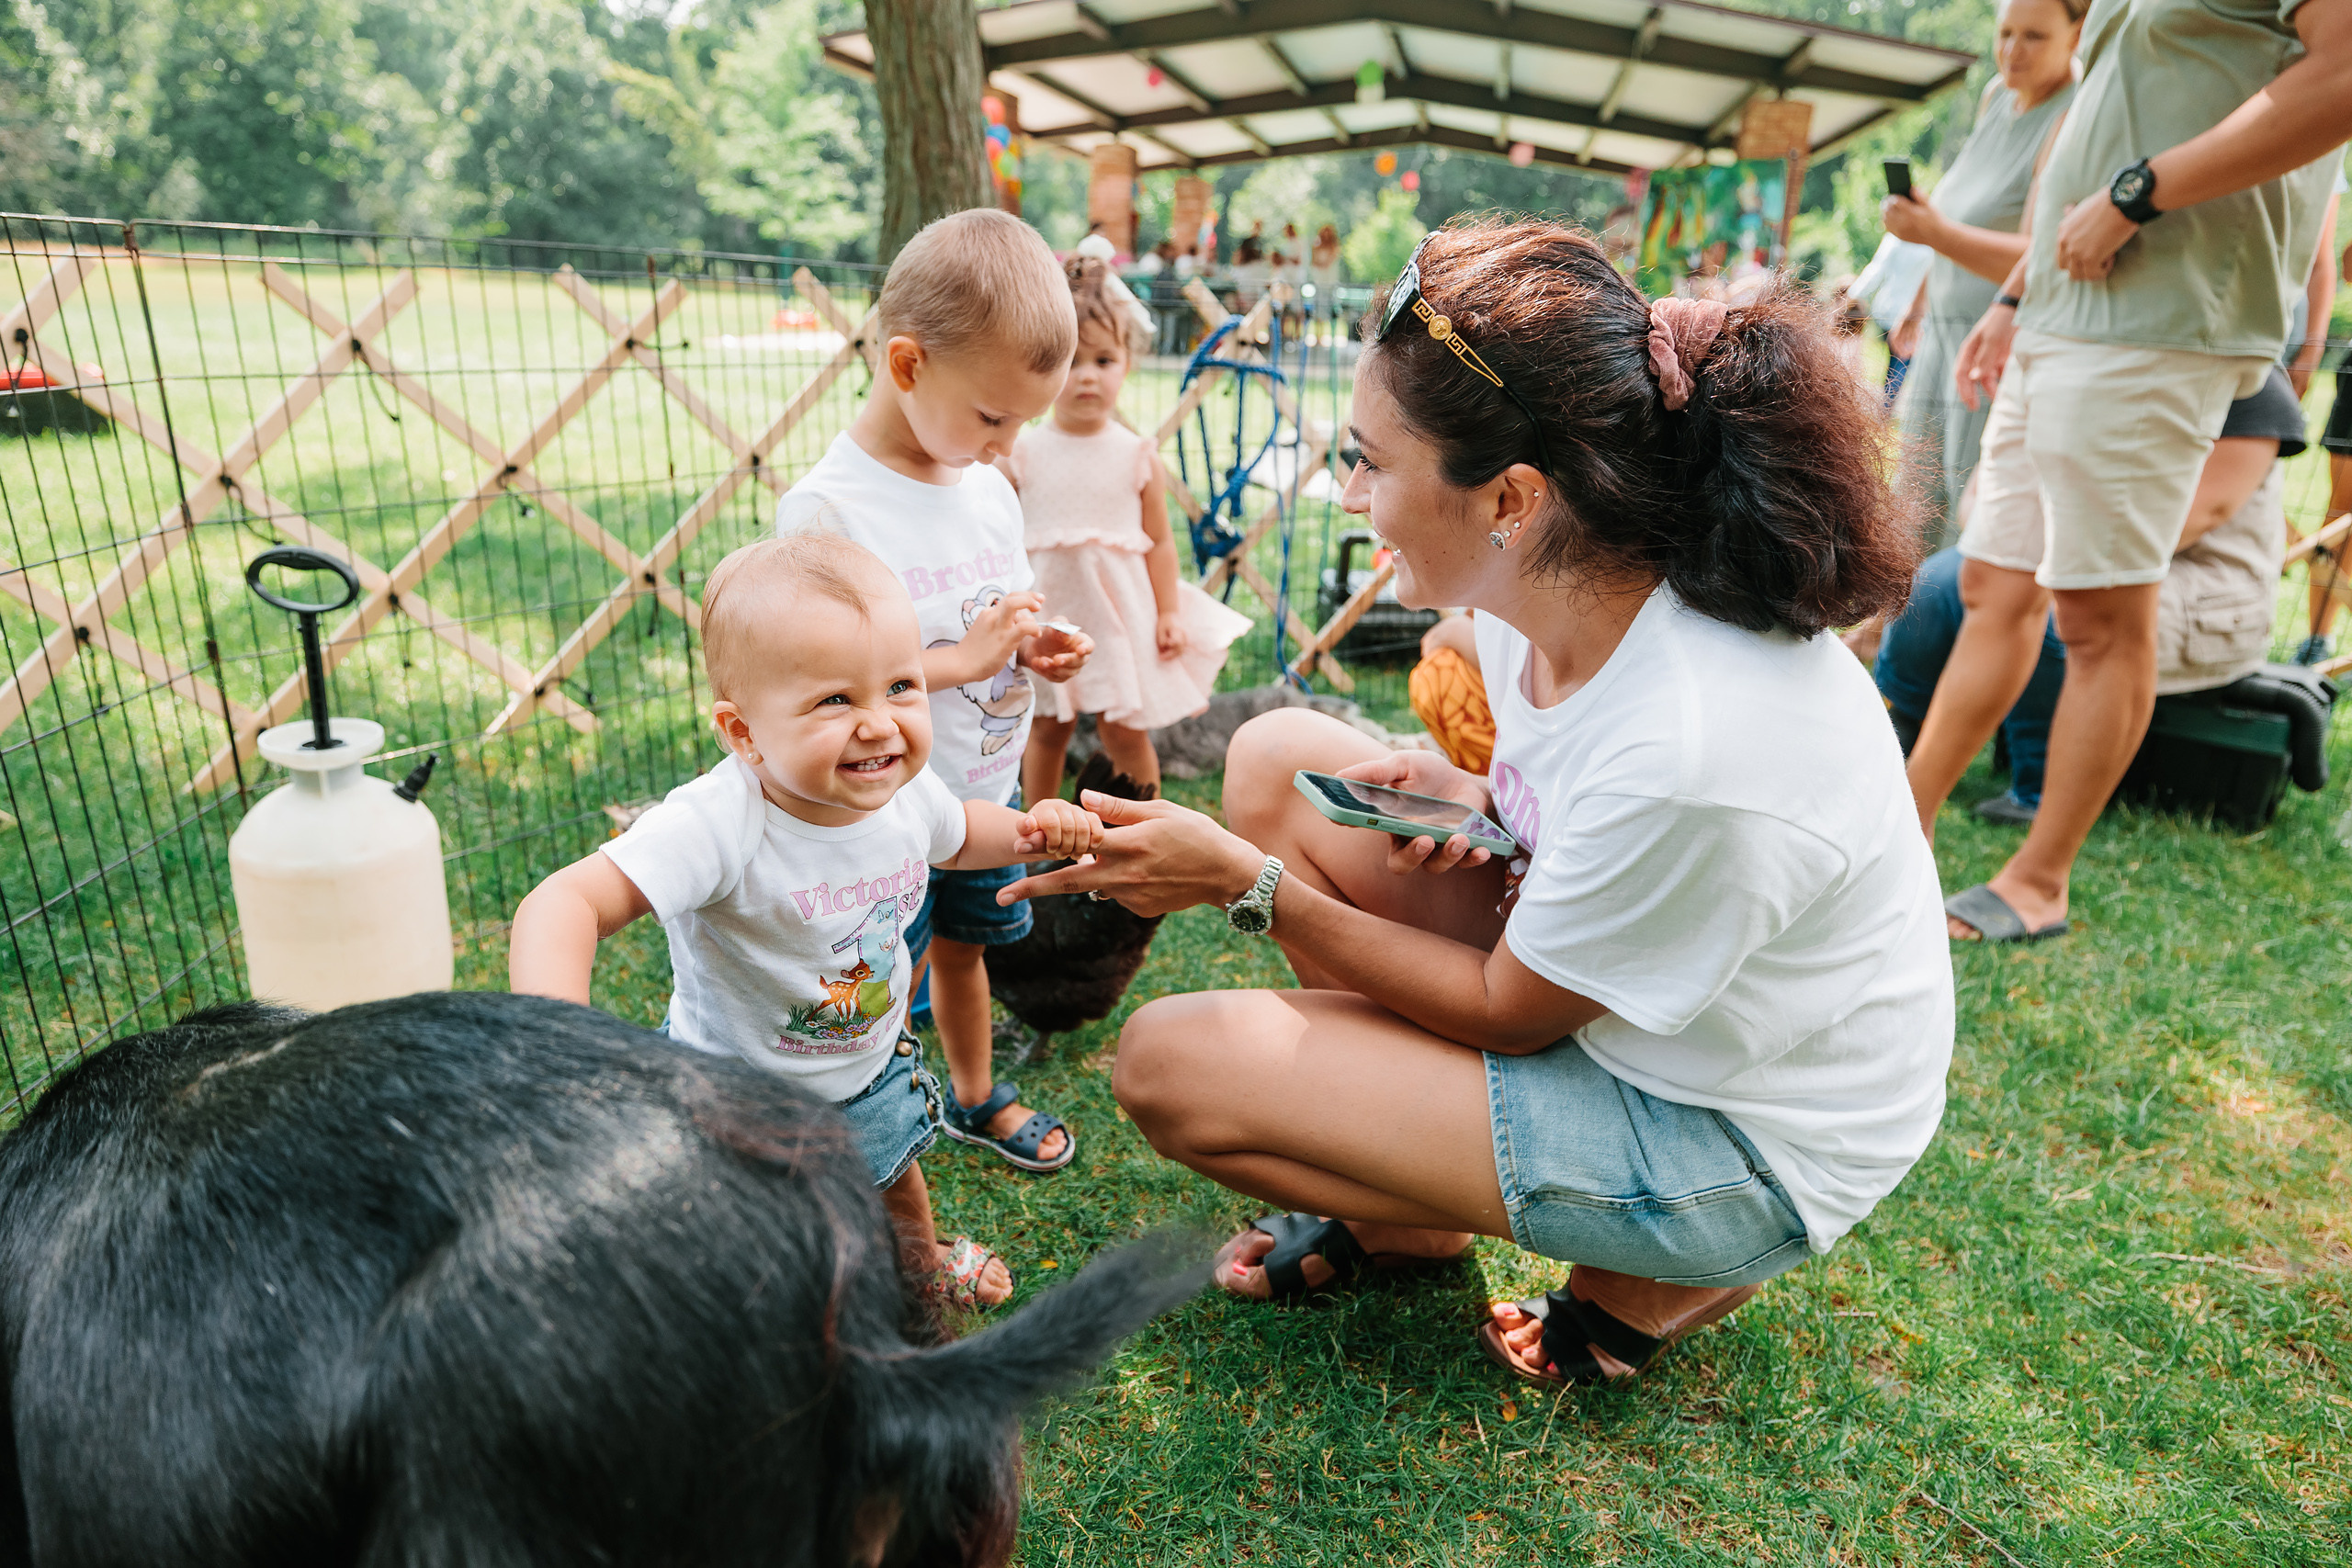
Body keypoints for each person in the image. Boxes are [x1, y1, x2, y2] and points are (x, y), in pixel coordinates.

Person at [999, 221, 1952, 1388]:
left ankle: (1659, 1273)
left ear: (1511, 495)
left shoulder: (1694, 735)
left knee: (1167, 1066)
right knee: (1277, 760)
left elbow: (1511, 1013)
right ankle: (1415, 1217)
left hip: (1734, 1131)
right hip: (1648, 1005)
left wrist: (1245, 889)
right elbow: (1579, 786)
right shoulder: (1547, 595)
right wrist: (1483, 798)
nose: (1349, 495)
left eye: (1371, 463)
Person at [508, 536, 1106, 1308]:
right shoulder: (720, 821)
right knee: (740, 1235)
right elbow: (564, 903)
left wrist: (1028, 831)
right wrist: (558, 1047)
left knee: (892, 1174)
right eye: (835, 700)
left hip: (866, 1061)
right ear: (744, 733)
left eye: (900, 685)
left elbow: (958, 831)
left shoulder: (901, 792)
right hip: (733, 1093)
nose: (880, 724)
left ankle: (921, 1264)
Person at [1917, 0, 2352, 943]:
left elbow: (2344, 74)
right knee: (1992, 586)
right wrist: (2012, 294)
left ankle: (2039, 884)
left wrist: (2135, 194)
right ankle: (1900, 831)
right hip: (2056, 309)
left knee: (2100, 618)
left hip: (2162, 318)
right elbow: (2105, 110)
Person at [775, 208, 1093, 1176]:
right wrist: (961, 659)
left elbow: (987, 611)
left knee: (966, 951)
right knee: (880, 966)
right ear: (907, 366)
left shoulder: (985, 487)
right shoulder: (829, 510)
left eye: (1021, 425)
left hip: (982, 798)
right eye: (992, 417)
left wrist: (1031, 647)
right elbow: (830, 687)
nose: (1004, 446)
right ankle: (866, 1106)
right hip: (883, 812)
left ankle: (969, 1092)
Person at [1879, 367, 2309, 821]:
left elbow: (2203, 512)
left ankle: (2041, 791)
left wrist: (2053, 564)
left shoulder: (2253, 383)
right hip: (2064, 552)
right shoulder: (2068, 353)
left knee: (2055, 609)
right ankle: (1898, 739)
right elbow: (1983, 505)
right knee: (1936, 584)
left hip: (2193, 581)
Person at [1013, 260, 1250, 807]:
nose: (1088, 376)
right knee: (1048, 728)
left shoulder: (1136, 455)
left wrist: (1168, 612)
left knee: (1124, 731)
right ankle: (1039, 829)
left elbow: (1160, 543)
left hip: (1118, 621)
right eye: (1071, 362)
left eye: (1103, 360)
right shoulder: (1021, 452)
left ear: (1128, 364)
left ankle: (1145, 825)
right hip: (1052, 621)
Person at [1882, 0, 2083, 544]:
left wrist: (1931, 232)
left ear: (2078, 32)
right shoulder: (1997, 96)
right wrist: (1919, 302)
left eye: (2035, 37)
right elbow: (1956, 216)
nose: (2013, 51)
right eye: (2006, 33)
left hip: (1996, 344)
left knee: (1964, 507)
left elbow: (2039, 254)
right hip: (1941, 330)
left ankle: (1953, 628)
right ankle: (1888, 628)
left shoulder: (2072, 114)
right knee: (1912, 499)